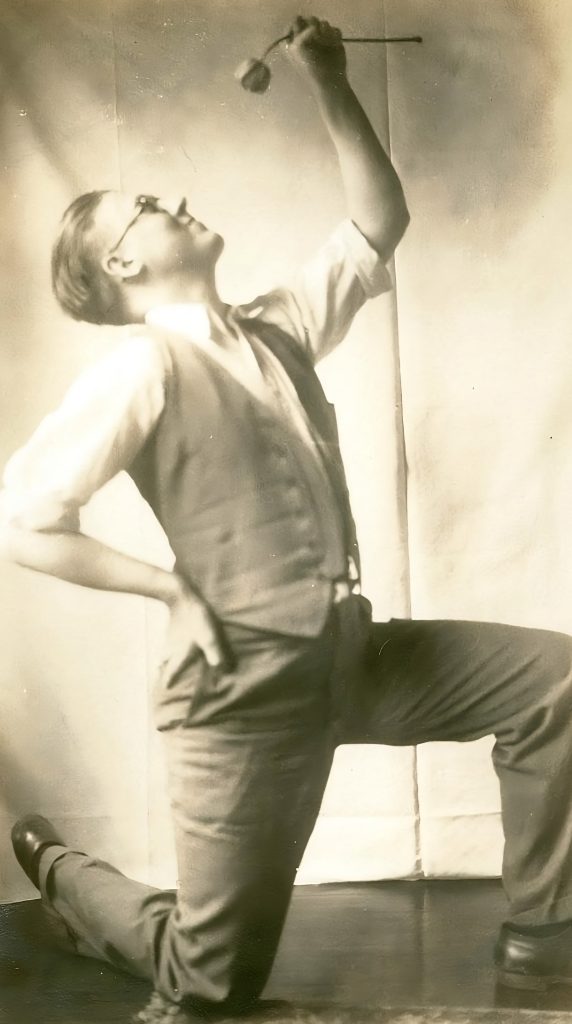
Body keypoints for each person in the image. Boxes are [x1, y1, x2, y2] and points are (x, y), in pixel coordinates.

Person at [2, 13, 572, 1024]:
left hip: (347, 660)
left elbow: (376, 224)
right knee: (207, 986)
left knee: (554, 679)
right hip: (244, 697)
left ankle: (539, 933)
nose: (174, 199)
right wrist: (168, 585)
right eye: (145, 207)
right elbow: (22, 519)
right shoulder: (140, 368)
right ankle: (61, 865)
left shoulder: (275, 325)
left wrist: (328, 79)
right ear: (123, 267)